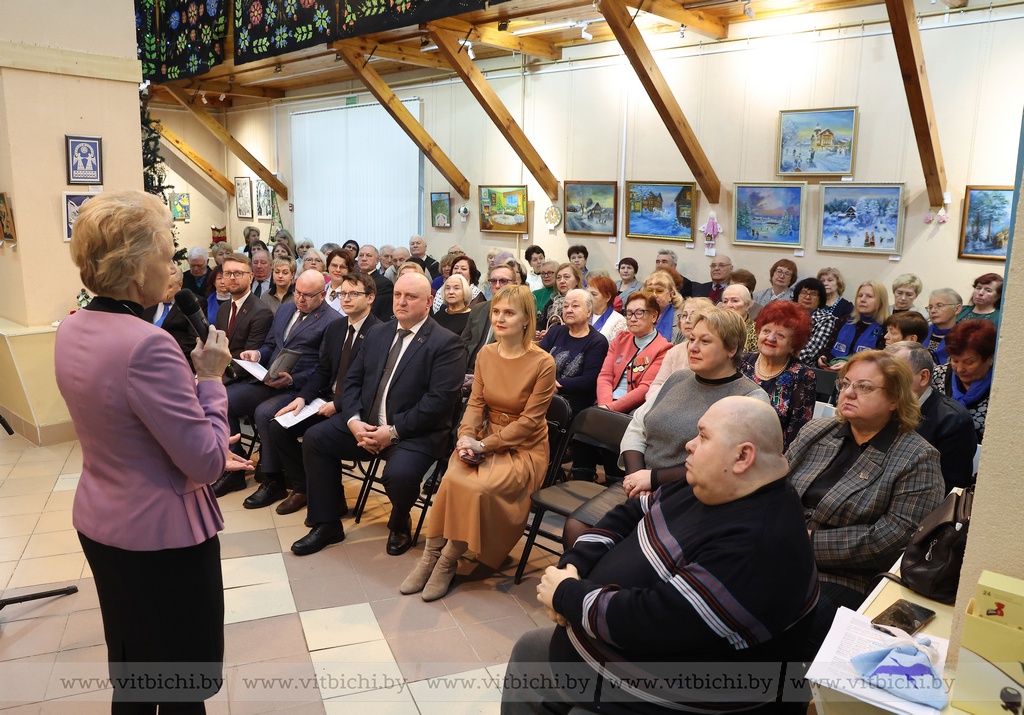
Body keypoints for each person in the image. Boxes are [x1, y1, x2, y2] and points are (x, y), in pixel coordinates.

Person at [502, 397, 819, 715]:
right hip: (604, 656)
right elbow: (627, 514)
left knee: (534, 656)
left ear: (742, 456)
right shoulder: (713, 482)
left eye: (703, 436)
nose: (690, 445)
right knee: (530, 650)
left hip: (666, 697)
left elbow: (652, 621)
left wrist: (567, 595)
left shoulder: (759, 544)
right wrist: (574, 566)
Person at [56, 189, 244, 712]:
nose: (173, 265)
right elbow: (205, 463)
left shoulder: (73, 327)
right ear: (139, 267)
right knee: (182, 685)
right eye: (167, 253)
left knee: (136, 673)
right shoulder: (147, 344)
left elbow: (121, 423)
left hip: (102, 518)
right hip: (161, 534)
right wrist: (210, 380)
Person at [290, 273, 467, 556]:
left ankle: (399, 522)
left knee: (398, 475)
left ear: (429, 302)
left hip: (413, 434)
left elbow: (438, 403)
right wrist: (354, 421)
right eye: (398, 295)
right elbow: (352, 382)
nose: (401, 301)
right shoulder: (378, 332)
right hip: (366, 425)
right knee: (315, 439)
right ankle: (327, 523)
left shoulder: (447, 343)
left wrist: (393, 432)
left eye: (411, 296)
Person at [401, 285, 557, 600]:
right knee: (451, 479)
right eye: (496, 311)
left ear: (527, 319)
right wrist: (466, 436)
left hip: (522, 450)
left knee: (476, 489)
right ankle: (430, 554)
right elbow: (475, 404)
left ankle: (447, 561)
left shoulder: (543, 363)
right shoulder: (486, 353)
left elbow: (528, 424)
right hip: (483, 438)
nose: (499, 318)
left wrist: (484, 447)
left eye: (509, 313)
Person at [786, 350, 943, 652]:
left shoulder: (917, 457)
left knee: (788, 621)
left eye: (864, 387)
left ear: (895, 399)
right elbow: (773, 488)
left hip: (846, 575)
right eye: (845, 384)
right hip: (779, 549)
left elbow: (893, 539)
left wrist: (804, 542)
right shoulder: (818, 432)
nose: (849, 393)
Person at [246, 273, 381, 513]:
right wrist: (302, 397)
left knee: (315, 437)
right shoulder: (337, 326)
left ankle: (326, 497)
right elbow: (323, 370)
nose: (346, 299)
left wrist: (337, 404)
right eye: (343, 294)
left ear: (370, 298)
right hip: (322, 397)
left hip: (353, 406)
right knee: (278, 425)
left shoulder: (379, 332)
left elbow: (371, 384)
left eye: (353, 294)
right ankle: (302, 487)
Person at [213, 269, 341, 496]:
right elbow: (271, 344)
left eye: (307, 295)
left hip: (300, 387)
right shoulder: (285, 309)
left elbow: (324, 368)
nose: (300, 298)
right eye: (297, 292)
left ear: (322, 295)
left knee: (265, 413)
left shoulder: (333, 321)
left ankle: (273, 479)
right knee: (223, 400)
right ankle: (235, 466)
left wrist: (293, 380)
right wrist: (257, 355)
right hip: (268, 378)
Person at [886, 341, 977, 491]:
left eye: (894, 375)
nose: (884, 381)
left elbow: (950, 487)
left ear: (923, 377)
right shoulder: (879, 403)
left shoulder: (953, 420)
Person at [739, 300, 817, 449]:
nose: (770, 338)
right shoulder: (742, 361)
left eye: (780, 335)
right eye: (766, 331)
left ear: (793, 344)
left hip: (769, 454)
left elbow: (797, 433)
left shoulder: (802, 376)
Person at [595, 290, 672, 414]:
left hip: (633, 410)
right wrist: (604, 407)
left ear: (654, 316)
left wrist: (611, 409)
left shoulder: (663, 348)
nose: (632, 318)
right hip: (605, 404)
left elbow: (645, 388)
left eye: (639, 313)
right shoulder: (620, 339)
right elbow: (605, 376)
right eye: (629, 313)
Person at [539, 289, 609, 416]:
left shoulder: (597, 342)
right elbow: (536, 360)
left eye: (575, 306)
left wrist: (556, 385)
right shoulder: (555, 331)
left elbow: (590, 379)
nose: (569, 310)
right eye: (566, 306)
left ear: (589, 311)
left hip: (572, 404)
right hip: (541, 392)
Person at [931, 318, 995, 443]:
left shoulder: (999, 386)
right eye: (954, 360)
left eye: (969, 362)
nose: (960, 369)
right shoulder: (937, 375)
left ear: (990, 359)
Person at [647, 297, 715, 394]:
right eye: (684, 316)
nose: (687, 320)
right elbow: (658, 384)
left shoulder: (712, 350)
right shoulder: (674, 351)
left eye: (693, 316)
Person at [215, 253, 274, 363]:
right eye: (227, 273)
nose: (232, 278)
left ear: (251, 277)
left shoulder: (261, 312)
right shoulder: (224, 308)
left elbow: (248, 360)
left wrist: (218, 377)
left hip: (242, 376)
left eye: (238, 273)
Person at [819, 281, 888, 370]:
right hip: (831, 371)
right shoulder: (844, 320)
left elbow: (879, 363)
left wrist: (849, 366)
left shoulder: (885, 329)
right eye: (860, 296)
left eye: (869, 296)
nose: (862, 299)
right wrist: (823, 357)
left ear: (881, 302)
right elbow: (828, 348)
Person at [792, 277, 838, 365]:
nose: (807, 297)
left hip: (800, 366)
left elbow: (810, 353)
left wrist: (781, 357)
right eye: (803, 292)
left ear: (820, 299)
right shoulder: (786, 314)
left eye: (813, 294)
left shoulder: (826, 320)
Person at [538, 262, 582, 339]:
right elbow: (542, 323)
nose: (562, 281)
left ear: (577, 281)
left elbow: (578, 329)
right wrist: (538, 332)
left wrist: (551, 333)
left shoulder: (582, 301)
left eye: (566, 277)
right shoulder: (553, 301)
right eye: (558, 278)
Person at [643, 271, 683, 343]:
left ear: (671, 295)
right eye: (649, 291)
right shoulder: (638, 314)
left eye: (659, 291)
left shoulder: (681, 318)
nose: (654, 295)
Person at [356, 244, 394, 321]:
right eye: (361, 255)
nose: (364, 259)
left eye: (369, 256)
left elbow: (381, 313)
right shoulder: (351, 280)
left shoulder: (384, 284)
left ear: (377, 260)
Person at [925, 288, 963, 364]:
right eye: (930, 307)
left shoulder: (964, 337)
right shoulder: (922, 332)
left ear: (957, 309)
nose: (933, 311)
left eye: (939, 306)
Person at [585, 275, 627, 342]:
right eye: (587, 293)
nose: (588, 297)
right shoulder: (583, 315)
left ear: (608, 297)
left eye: (594, 294)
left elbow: (616, 349)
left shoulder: (619, 321)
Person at [721, 283, 758, 352]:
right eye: (725, 301)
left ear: (747, 305)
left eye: (735, 301)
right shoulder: (716, 327)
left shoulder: (756, 331)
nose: (728, 305)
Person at [324, 248, 355, 313]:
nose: (338, 270)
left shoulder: (354, 295)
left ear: (349, 270)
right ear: (328, 267)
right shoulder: (319, 290)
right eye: (334, 265)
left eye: (342, 267)